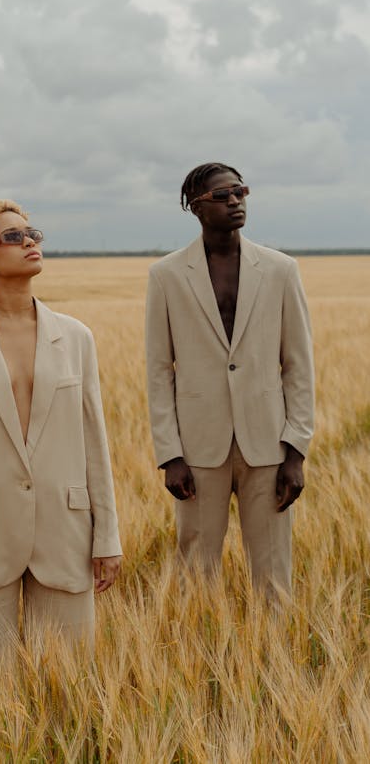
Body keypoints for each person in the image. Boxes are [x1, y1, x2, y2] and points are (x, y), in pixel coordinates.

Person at [0, 199, 122, 691]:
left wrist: (108, 535)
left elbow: (95, 441)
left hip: (67, 531)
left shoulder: (76, 337)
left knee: (69, 692)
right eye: (14, 236)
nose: (30, 241)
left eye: (34, 233)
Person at [145, 162, 314, 595]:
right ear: (196, 208)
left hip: (268, 445)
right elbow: (159, 370)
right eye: (223, 196)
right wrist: (170, 454)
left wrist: (295, 450)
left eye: (241, 191)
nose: (235, 201)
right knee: (195, 576)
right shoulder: (165, 275)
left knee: (275, 576)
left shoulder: (280, 270)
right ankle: (199, 660)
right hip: (198, 450)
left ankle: (277, 660)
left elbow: (298, 364)